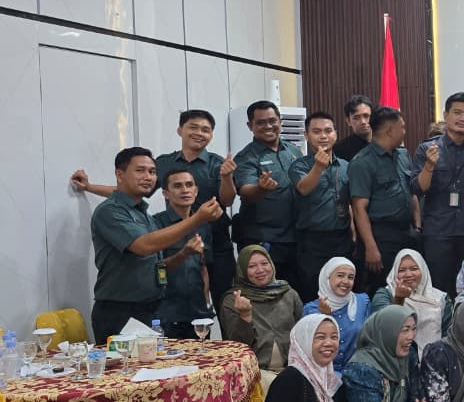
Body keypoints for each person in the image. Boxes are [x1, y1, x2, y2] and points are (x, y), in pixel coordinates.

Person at [72, 110, 239, 303]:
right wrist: (89, 187)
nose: (199, 133)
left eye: (205, 130)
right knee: (175, 294)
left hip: (215, 239)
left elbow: (227, 201)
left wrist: (227, 177)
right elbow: (131, 190)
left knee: (223, 298)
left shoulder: (219, 163)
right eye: (193, 127)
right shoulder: (163, 163)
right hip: (172, 239)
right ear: (180, 130)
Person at [87, 147, 223, 340]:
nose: (148, 177)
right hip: (119, 310)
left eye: (152, 172)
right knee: (123, 361)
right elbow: (142, 246)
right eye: (140, 170)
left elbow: (158, 268)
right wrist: (197, 218)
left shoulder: (145, 216)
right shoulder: (110, 211)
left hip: (151, 309)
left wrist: (182, 255)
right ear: (119, 174)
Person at [410, 92, 464, 292]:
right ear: (446, 115)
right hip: (438, 232)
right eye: (457, 113)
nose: (463, 118)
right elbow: (418, 189)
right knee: (439, 289)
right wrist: (429, 166)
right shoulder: (428, 149)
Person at [233, 100, 300, 287]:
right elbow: (246, 192)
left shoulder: (294, 150)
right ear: (250, 126)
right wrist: (261, 188)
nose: (268, 126)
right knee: (265, 293)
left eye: (272, 121)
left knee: (295, 292)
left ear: (280, 121)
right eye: (261, 123)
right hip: (264, 240)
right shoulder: (246, 157)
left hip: (296, 238)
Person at [289, 111, 353, 303]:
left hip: (342, 239)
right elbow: (303, 188)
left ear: (336, 134)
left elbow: (351, 202)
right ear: (306, 136)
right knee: (313, 292)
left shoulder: (346, 166)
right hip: (312, 241)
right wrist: (318, 167)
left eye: (328, 131)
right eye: (316, 132)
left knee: (342, 291)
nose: (323, 136)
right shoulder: (299, 165)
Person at [258, 314, 352, 402]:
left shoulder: (333, 382)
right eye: (320, 337)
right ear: (304, 341)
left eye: (334, 337)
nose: (329, 343)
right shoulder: (288, 381)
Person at [348, 106, 415, 281]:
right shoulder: (362, 162)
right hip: (381, 237)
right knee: (384, 287)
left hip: (407, 233)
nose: (404, 132)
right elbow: (359, 209)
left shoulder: (403, 155)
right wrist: (371, 247)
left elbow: (412, 192)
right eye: (402, 127)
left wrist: (417, 228)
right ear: (390, 131)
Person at [343, 305, 430, 402]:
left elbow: (415, 400)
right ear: (387, 331)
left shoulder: (409, 356)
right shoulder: (361, 369)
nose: (411, 336)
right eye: (405, 330)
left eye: (413, 329)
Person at [219, 245, 304, 376]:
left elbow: (303, 335)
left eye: (264, 263)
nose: (260, 270)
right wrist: (245, 316)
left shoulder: (288, 293)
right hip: (253, 373)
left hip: (292, 370)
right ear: (242, 270)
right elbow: (237, 348)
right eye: (252, 266)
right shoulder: (233, 300)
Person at [152, 168, 214, 339]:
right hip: (167, 312)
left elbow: (204, 266)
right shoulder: (156, 223)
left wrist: (206, 301)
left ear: (196, 190)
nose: (185, 190)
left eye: (189, 185)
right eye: (178, 186)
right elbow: (156, 269)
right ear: (165, 193)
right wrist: (183, 254)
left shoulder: (203, 224)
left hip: (198, 313)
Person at [369, 248, 451, 352]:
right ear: (395, 272)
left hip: (434, 358)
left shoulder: (440, 298)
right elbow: (382, 328)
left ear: (423, 270)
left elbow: (447, 335)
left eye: (414, 269)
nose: (408, 274)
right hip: (394, 356)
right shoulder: (385, 294)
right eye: (401, 270)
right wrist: (399, 299)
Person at [301, 257, 369, 372]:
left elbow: (368, 341)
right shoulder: (311, 309)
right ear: (327, 277)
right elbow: (307, 348)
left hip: (355, 372)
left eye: (350, 277)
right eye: (340, 275)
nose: (346, 281)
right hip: (322, 373)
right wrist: (324, 316)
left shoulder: (362, 302)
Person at [332, 94, 374, 162]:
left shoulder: (386, 144)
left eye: (366, 116)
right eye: (356, 118)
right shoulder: (339, 150)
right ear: (348, 121)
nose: (363, 122)